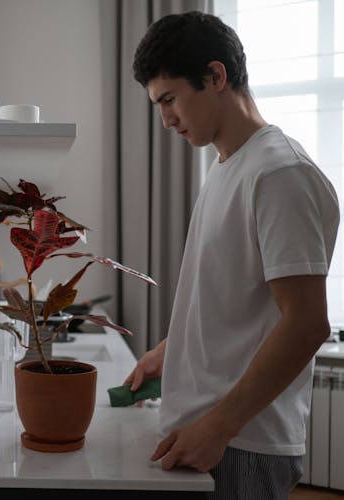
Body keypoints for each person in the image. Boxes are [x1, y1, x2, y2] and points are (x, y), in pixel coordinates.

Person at [126, 11, 340, 499]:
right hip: (214, 433)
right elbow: (229, 297)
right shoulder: (226, 167)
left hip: (242, 443)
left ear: (216, 76)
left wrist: (219, 427)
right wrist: (171, 351)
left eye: (170, 99)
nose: (165, 119)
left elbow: (306, 323)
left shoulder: (279, 173)